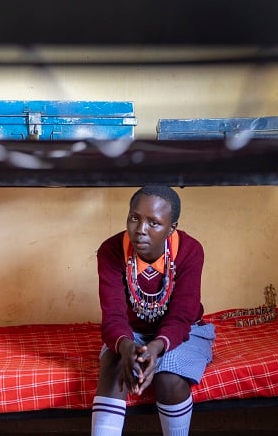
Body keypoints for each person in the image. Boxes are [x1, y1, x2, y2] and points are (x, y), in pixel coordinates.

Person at [91, 185, 215, 436]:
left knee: (169, 378)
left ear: (171, 228)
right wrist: (126, 347)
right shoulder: (111, 250)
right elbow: (113, 316)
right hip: (130, 332)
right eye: (134, 218)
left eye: (154, 223)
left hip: (184, 331)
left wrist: (157, 348)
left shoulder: (190, 251)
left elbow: (182, 315)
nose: (140, 231)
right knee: (115, 368)